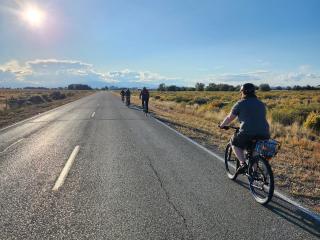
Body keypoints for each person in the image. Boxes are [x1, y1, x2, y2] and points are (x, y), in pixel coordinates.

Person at [219, 83, 270, 174]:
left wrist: (222, 125)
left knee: (234, 142)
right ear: (254, 92)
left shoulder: (240, 103)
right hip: (264, 132)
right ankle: (254, 172)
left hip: (247, 131)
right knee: (255, 152)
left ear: (243, 92)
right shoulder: (261, 103)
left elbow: (230, 118)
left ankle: (243, 164)